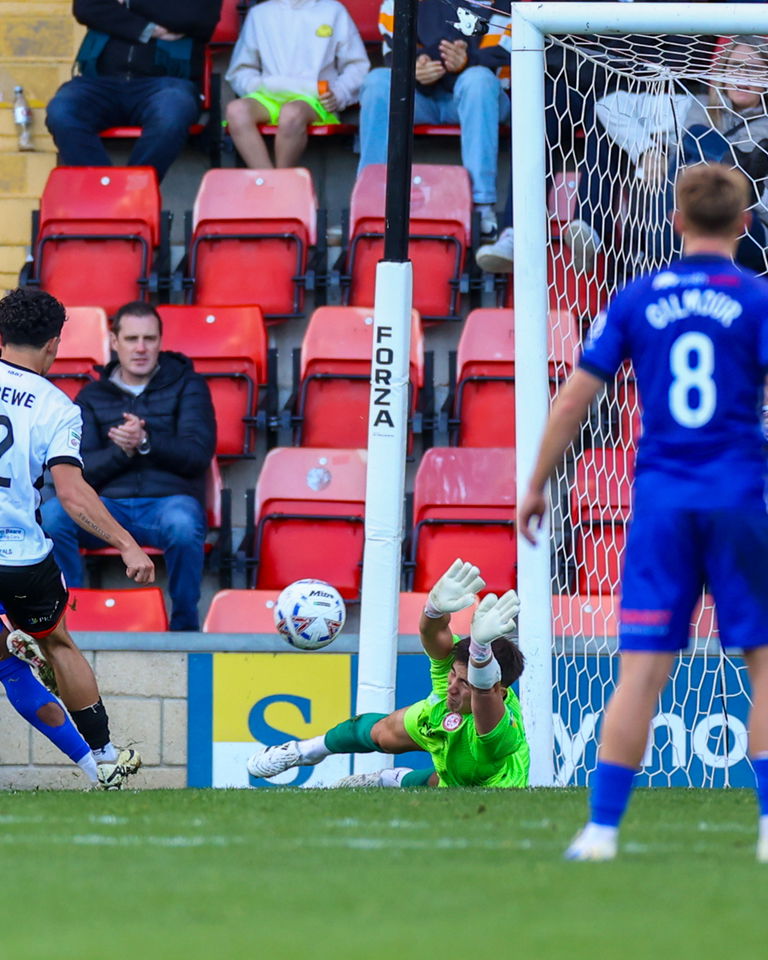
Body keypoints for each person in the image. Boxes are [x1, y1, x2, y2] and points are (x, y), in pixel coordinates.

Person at [519, 163, 768, 861]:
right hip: (740, 497)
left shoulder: (635, 297)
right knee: (764, 664)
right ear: (744, 226)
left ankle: (601, 832)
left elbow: (574, 398)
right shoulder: (755, 302)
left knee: (642, 673)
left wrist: (537, 481)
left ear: (676, 222)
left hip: (661, 504)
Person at [0, 288, 156, 788]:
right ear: (54, 344)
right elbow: (72, 494)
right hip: (22, 555)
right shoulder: (56, 406)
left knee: (8, 664)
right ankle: (104, 756)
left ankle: (99, 766)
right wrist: (126, 543)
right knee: (57, 645)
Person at [247, 559, 530, 788]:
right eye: (454, 676)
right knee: (383, 733)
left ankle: (387, 779)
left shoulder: (501, 733)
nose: (452, 686)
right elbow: (433, 634)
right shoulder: (458, 673)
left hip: (486, 778)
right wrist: (434, 609)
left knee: (445, 782)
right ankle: (303, 751)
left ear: (500, 692)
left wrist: (482, 649)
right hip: (446, 720)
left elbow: (483, 694)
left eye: (464, 683)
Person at [42, 302, 216, 631]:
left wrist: (146, 441)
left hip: (168, 502)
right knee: (53, 516)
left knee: (183, 524)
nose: (140, 348)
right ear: (114, 341)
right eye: (132, 338)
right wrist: (123, 452)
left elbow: (197, 455)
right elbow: (82, 470)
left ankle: (184, 629)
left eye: (149, 339)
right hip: (107, 508)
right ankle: (70, 621)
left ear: (161, 341)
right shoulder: (92, 395)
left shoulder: (188, 385)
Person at [564, 35, 768, 274]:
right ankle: (603, 236)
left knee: (698, 141)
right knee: (694, 140)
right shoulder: (691, 106)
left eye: (753, 69)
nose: (741, 76)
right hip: (675, 229)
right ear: (721, 70)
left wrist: (740, 190)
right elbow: (609, 104)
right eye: (734, 66)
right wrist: (645, 150)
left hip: (744, 232)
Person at [358, 0, 511, 237]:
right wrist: (413, 68)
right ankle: (370, 201)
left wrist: (467, 62)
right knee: (378, 81)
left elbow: (503, 60)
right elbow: (395, 50)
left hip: (480, 101)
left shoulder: (500, 3)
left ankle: (481, 207)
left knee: (478, 79)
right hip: (420, 100)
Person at [45, 0, 223, 180]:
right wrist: (148, 29)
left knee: (173, 112)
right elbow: (85, 8)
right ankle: (104, 190)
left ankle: (135, 189)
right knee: (62, 110)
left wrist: (128, 4)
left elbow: (193, 17)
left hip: (165, 86)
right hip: (99, 83)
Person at [225, 0, 369, 169]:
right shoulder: (259, 14)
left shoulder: (333, 11)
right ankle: (270, 181)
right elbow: (240, 70)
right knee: (236, 110)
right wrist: (258, 86)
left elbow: (357, 66)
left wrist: (338, 94)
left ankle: (282, 183)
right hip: (268, 96)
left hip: (314, 99)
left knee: (291, 113)